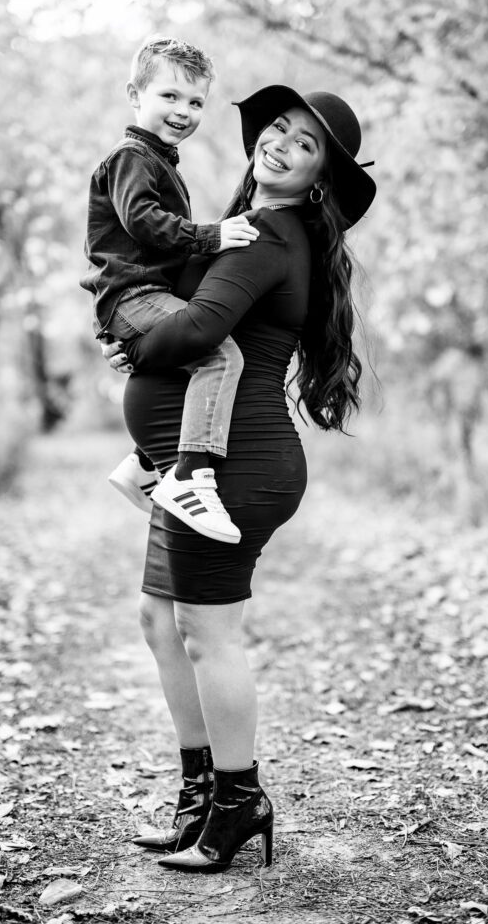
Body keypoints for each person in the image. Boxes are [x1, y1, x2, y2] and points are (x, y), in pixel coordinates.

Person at [102, 84, 376, 872]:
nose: (281, 145)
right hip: (191, 467)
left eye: (306, 144)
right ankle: (198, 798)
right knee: (163, 623)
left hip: (231, 466)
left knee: (206, 632)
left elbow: (197, 329)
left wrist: (133, 343)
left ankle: (237, 800)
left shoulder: (265, 233)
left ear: (321, 175)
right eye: (278, 130)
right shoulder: (243, 227)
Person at [81, 35, 259, 543]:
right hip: (136, 298)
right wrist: (212, 235)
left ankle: (142, 466)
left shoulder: (158, 160)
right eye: (170, 96)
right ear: (134, 94)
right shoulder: (131, 157)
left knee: (191, 356)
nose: (183, 110)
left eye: (196, 101)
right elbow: (141, 224)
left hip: (140, 296)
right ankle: (188, 474)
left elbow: (122, 247)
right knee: (219, 356)